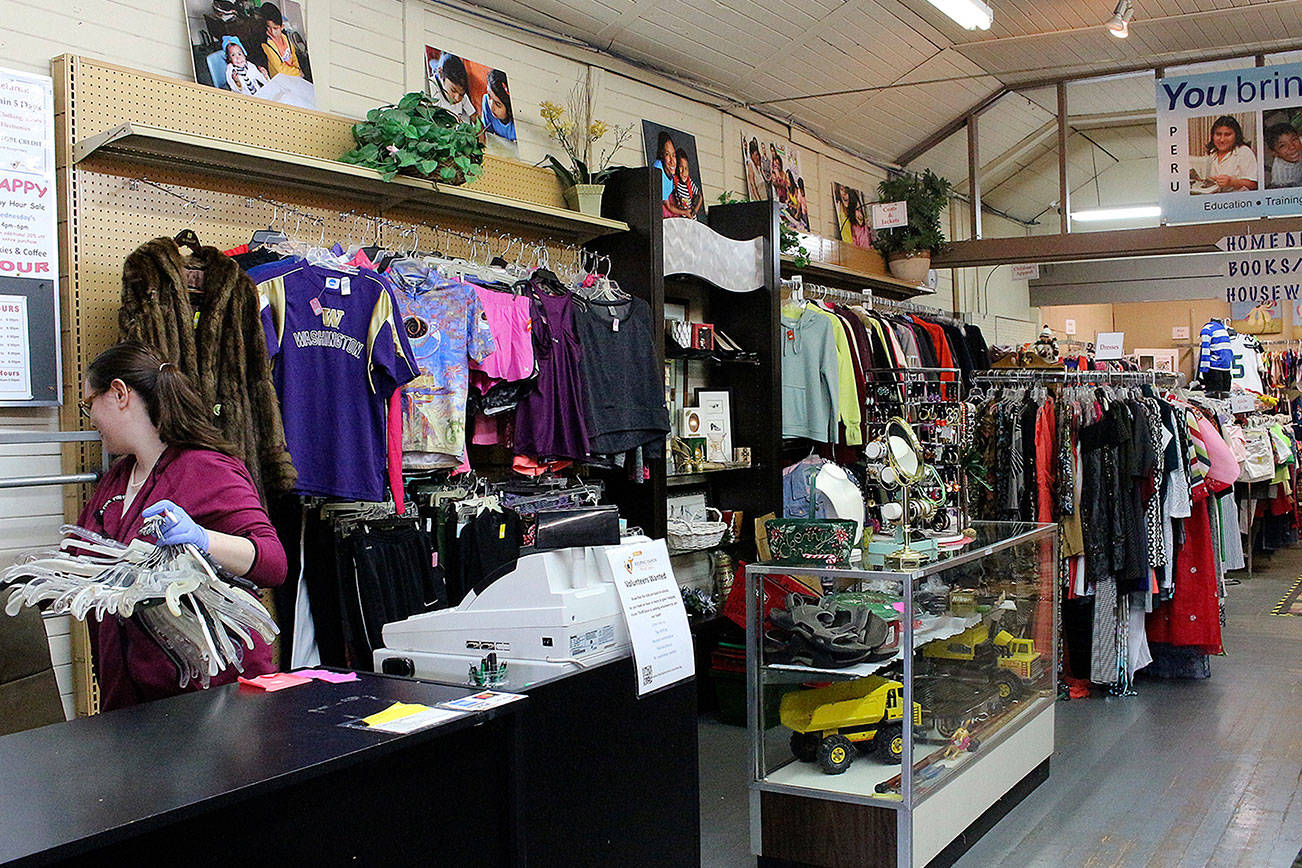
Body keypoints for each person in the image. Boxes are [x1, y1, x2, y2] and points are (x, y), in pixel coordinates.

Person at [76, 342, 287, 710]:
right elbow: (79, 556)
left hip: (212, 703)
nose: (90, 417)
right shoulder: (117, 480)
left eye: (89, 403)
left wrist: (203, 539)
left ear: (120, 394)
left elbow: (273, 562)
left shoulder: (206, 468)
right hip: (132, 704)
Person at [1199, 115, 1257, 192]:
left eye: (1227, 134)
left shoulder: (1244, 152)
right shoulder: (1212, 152)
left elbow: (1254, 185)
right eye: (1218, 134)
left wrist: (1233, 182)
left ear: (1236, 135)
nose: (1222, 139)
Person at [257, 3, 303, 79]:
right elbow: (279, 68)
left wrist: (297, 69)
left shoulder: (285, 37)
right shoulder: (267, 44)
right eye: (268, 27)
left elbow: (293, 54)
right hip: (279, 77)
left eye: (275, 28)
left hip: (293, 73)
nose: (272, 31)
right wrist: (297, 72)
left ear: (282, 27)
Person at [430, 53, 475, 125]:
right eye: (453, 90)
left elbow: (474, 117)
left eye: (461, 94)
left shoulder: (460, 94)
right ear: (441, 74)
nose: (457, 98)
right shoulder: (431, 88)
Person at [480, 68, 516, 143]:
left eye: (498, 104)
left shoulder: (516, 121)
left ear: (509, 109)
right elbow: (487, 133)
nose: (491, 106)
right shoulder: (486, 101)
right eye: (489, 96)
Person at [1265, 123, 1302, 189]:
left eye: (1294, 139)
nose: (1292, 147)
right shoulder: (1281, 180)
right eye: (1282, 146)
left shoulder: (1300, 142)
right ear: (1275, 153)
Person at [674, 152, 697, 216]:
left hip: (690, 217)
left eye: (686, 168)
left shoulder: (690, 183)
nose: (684, 172)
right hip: (680, 216)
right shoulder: (674, 182)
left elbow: (699, 196)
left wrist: (695, 209)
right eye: (681, 167)